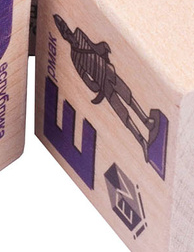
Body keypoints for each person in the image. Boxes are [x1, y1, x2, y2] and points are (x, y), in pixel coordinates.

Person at [52, 14, 163, 156]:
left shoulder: (79, 34)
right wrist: (96, 87)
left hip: (109, 72)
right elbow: (85, 78)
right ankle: (142, 142)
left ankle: (146, 121)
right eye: (64, 32)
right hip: (104, 86)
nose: (67, 33)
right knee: (123, 114)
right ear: (63, 36)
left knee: (128, 97)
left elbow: (94, 47)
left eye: (66, 29)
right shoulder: (74, 56)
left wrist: (103, 47)